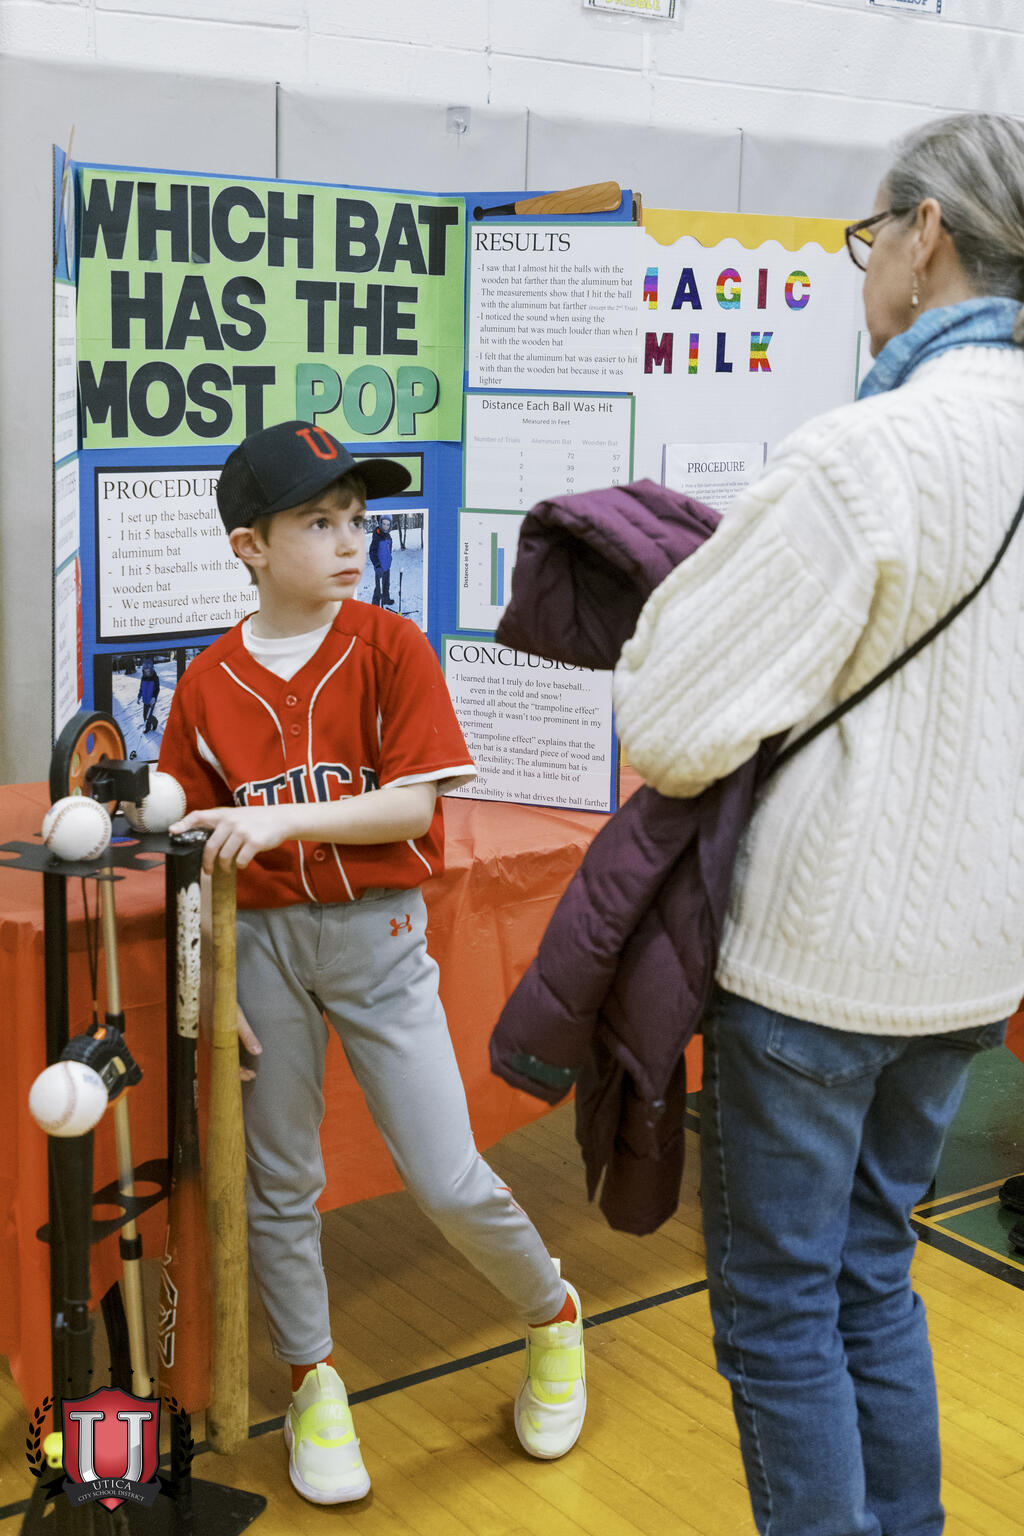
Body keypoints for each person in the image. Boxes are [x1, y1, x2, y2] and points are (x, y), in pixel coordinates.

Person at [613, 112, 1024, 1536]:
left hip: (820, 962)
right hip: (975, 964)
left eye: (868, 239)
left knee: (782, 1307)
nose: (865, 275)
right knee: (872, 1270)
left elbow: (669, 724)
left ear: (926, 237)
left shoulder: (865, 452)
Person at [159, 421, 585, 1506]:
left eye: (357, 518)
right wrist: (208, 984)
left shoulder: (391, 646)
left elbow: (410, 807)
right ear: (251, 546)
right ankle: (313, 1381)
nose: (350, 540)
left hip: (379, 937)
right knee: (282, 1185)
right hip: (259, 947)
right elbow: (184, 848)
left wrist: (282, 822)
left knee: (446, 1175)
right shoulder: (206, 683)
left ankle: (551, 1315)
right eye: (318, 521)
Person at [369, 513, 394, 606]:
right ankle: (375, 606)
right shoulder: (377, 536)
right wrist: (377, 565)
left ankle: (385, 599)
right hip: (379, 568)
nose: (385, 526)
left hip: (387, 566)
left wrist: (389, 559)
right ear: (380, 523)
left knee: (386, 585)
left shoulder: (389, 536)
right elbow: (372, 552)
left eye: (388, 524)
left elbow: (389, 549)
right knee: (378, 589)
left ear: (390, 525)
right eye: (384, 524)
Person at [137, 659, 160, 732]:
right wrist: (139, 696)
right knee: (145, 716)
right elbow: (141, 688)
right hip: (145, 699)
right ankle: (148, 727)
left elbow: (157, 689)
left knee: (149, 716)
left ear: (151, 668)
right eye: (145, 668)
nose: (146, 670)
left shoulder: (155, 678)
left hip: (151, 700)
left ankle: (155, 722)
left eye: (148, 668)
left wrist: (154, 697)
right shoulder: (143, 677)